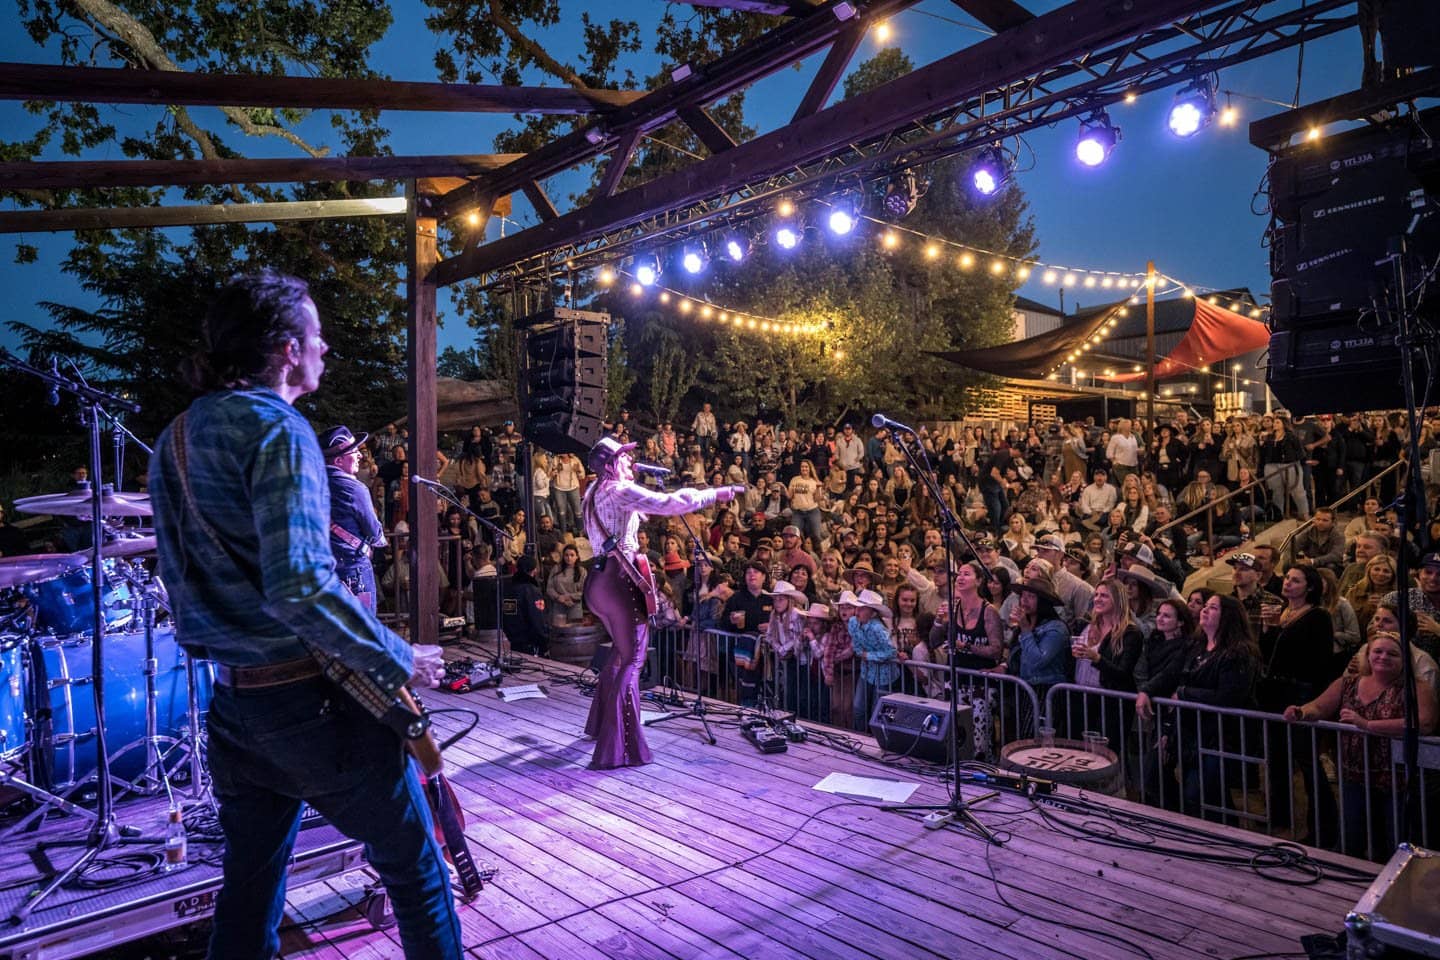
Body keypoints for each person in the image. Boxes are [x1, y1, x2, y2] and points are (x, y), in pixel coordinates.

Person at [148, 270, 460, 960]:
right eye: (317, 335)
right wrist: (399, 656)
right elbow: (299, 587)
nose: (325, 348)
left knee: (251, 888)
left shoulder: (174, 438)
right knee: (417, 872)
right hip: (310, 705)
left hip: (234, 707)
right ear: (288, 349)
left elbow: (183, 586)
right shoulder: (278, 428)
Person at [582, 435, 741, 769]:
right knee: (634, 659)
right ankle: (620, 748)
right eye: (624, 458)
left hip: (597, 581)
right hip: (619, 581)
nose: (630, 463)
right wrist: (716, 493)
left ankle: (600, 726)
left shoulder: (592, 492)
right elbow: (671, 504)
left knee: (619, 652)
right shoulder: (619, 490)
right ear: (611, 464)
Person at [1285, 631, 1437, 857]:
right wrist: (1301, 712)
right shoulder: (1347, 683)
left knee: (1395, 838)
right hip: (1353, 774)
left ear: (1405, 659)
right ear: (1368, 655)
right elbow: (1319, 706)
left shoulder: (1417, 687)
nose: (1383, 657)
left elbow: (1424, 723)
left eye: (1392, 653)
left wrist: (1367, 724)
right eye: (1377, 651)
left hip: (1398, 780)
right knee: (1351, 835)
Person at [317, 425, 387, 613]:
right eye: (354, 451)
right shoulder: (355, 488)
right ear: (339, 460)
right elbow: (374, 532)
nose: (360, 456)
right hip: (353, 569)